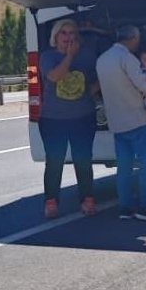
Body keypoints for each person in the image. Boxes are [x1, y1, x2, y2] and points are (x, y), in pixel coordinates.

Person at [95, 25, 146, 223]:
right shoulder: (127, 58)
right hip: (137, 119)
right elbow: (143, 85)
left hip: (117, 123)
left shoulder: (102, 60)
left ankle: (125, 207)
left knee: (124, 167)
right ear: (134, 39)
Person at [39, 18, 99, 218]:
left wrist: (92, 90)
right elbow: (55, 77)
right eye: (64, 33)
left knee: (83, 160)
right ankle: (51, 202)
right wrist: (69, 57)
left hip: (82, 117)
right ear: (55, 37)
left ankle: (87, 200)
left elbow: (95, 80)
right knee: (54, 162)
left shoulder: (88, 56)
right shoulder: (47, 57)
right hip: (53, 120)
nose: (69, 37)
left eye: (72, 33)